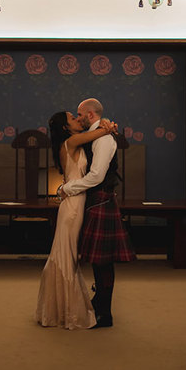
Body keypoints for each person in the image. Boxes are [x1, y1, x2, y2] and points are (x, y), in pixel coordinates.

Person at [58, 98, 136, 328]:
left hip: (101, 200)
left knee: (103, 262)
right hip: (95, 201)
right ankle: (100, 303)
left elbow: (96, 177)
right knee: (97, 260)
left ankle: (105, 313)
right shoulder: (96, 134)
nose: (78, 118)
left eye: (80, 114)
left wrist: (67, 189)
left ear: (90, 115)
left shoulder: (103, 139)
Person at [35, 111, 117, 330]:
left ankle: (60, 307)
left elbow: (98, 132)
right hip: (73, 206)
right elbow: (99, 131)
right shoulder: (71, 141)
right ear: (66, 128)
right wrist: (108, 125)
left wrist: (106, 124)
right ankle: (64, 310)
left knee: (67, 255)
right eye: (73, 118)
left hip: (77, 202)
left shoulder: (72, 142)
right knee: (66, 256)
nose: (78, 120)